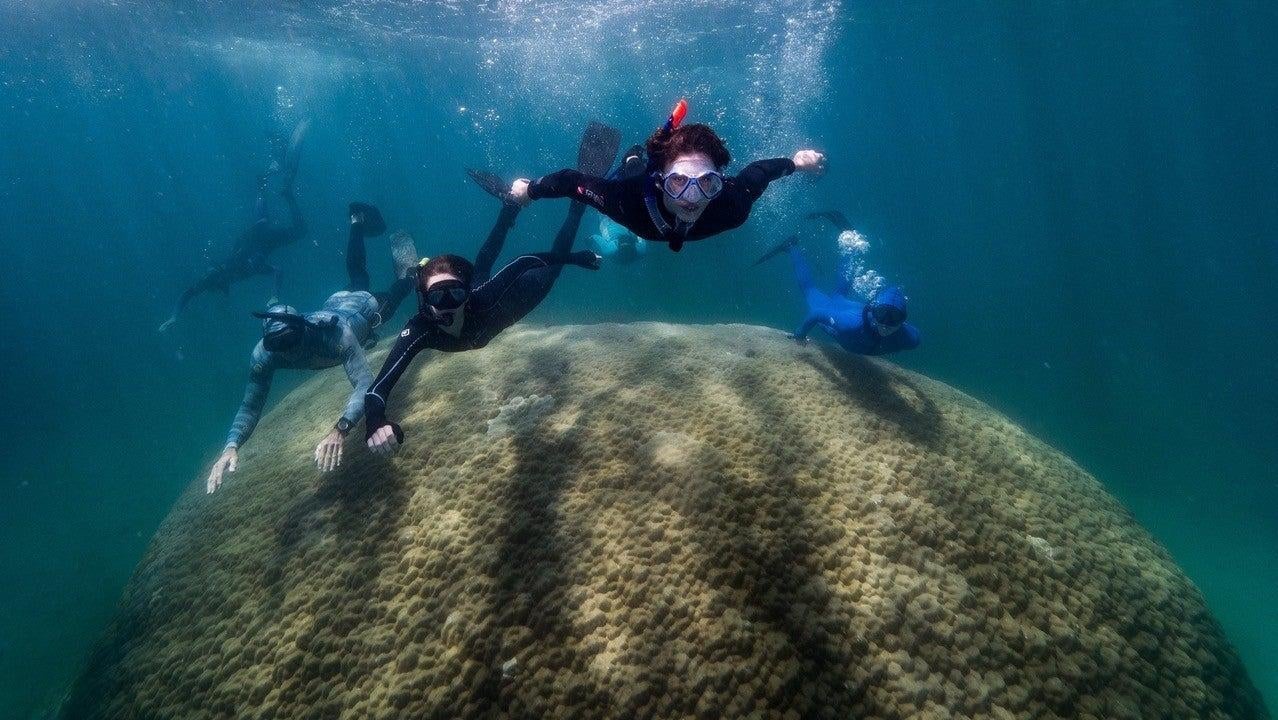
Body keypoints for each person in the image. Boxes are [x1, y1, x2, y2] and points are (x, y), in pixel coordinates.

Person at [361, 124, 617, 455]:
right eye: (438, 297)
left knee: (520, 272)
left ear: (464, 293)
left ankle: (566, 205)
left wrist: (573, 258)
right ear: (424, 303)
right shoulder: (420, 330)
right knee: (479, 269)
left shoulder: (477, 298)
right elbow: (377, 391)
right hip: (484, 306)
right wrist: (374, 421)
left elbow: (526, 261)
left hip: (511, 302)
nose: (449, 305)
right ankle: (501, 212)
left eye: (455, 293)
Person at [205, 203, 420, 492]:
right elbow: (250, 406)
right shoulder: (264, 354)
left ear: (303, 329)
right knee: (358, 278)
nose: (287, 351)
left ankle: (410, 274)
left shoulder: (334, 335)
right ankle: (356, 224)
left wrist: (341, 429)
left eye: (290, 341)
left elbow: (364, 382)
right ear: (267, 340)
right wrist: (230, 446)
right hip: (338, 302)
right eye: (278, 344)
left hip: (364, 311)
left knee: (390, 291)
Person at [507, 100, 827, 251]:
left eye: (706, 183)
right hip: (639, 188)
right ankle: (635, 157)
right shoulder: (625, 201)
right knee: (630, 171)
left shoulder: (733, 204)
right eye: (678, 181)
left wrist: (796, 163)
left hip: (651, 208)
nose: (691, 198)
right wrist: (530, 189)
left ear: (720, 182)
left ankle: (641, 157)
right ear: (663, 180)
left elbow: (759, 173)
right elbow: (568, 181)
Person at [159, 120, 310, 332]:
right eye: (220, 283)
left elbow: (275, 269)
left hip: (259, 236)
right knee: (283, 226)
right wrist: (174, 316)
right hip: (262, 238)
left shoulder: (231, 270)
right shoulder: (227, 275)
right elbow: (190, 292)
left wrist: (275, 294)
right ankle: (276, 189)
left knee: (268, 223)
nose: (221, 281)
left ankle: (270, 184)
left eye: (219, 280)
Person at [753, 235, 920, 356]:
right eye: (882, 314)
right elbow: (816, 314)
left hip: (847, 308)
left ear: (903, 320)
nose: (886, 324)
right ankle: (791, 246)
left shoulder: (910, 338)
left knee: (839, 294)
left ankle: (850, 247)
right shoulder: (850, 324)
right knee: (809, 290)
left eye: (894, 318)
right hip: (836, 309)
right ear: (874, 310)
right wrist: (800, 335)